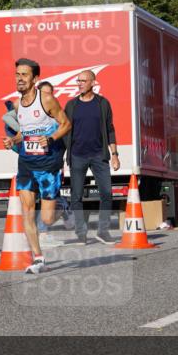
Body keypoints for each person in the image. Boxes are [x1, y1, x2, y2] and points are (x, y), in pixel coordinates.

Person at [2, 58, 71, 273]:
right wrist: (14, 140)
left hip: (48, 164)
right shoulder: (17, 104)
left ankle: (63, 206)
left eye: (24, 75)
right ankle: (38, 257)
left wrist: (50, 139)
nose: (19, 79)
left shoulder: (47, 100)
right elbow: (26, 131)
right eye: (17, 74)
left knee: (47, 218)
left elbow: (66, 124)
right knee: (27, 211)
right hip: (26, 163)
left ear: (35, 79)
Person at [64, 69, 119, 245]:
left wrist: (114, 155)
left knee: (107, 193)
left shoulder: (103, 104)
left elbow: (110, 129)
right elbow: (64, 129)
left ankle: (103, 232)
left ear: (93, 83)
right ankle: (81, 233)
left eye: (83, 80)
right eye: (78, 81)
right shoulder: (71, 105)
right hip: (77, 156)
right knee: (76, 197)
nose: (79, 83)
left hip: (99, 155)